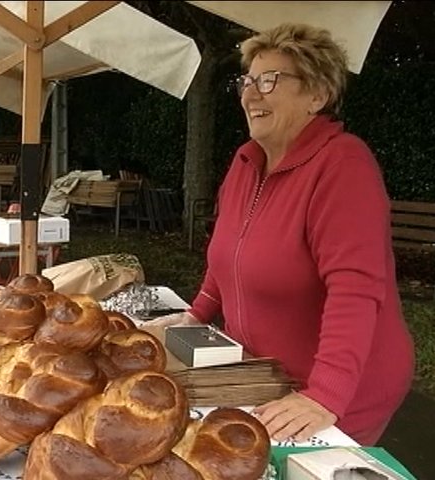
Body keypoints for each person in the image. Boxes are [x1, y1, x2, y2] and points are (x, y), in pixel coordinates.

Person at [144, 24, 414, 446]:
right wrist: (198, 312)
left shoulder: (343, 164)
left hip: (341, 389)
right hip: (263, 375)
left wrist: (326, 394)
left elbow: (355, 290)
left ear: (317, 95)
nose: (251, 94)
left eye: (270, 80)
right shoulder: (246, 162)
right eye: (247, 81)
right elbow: (227, 255)